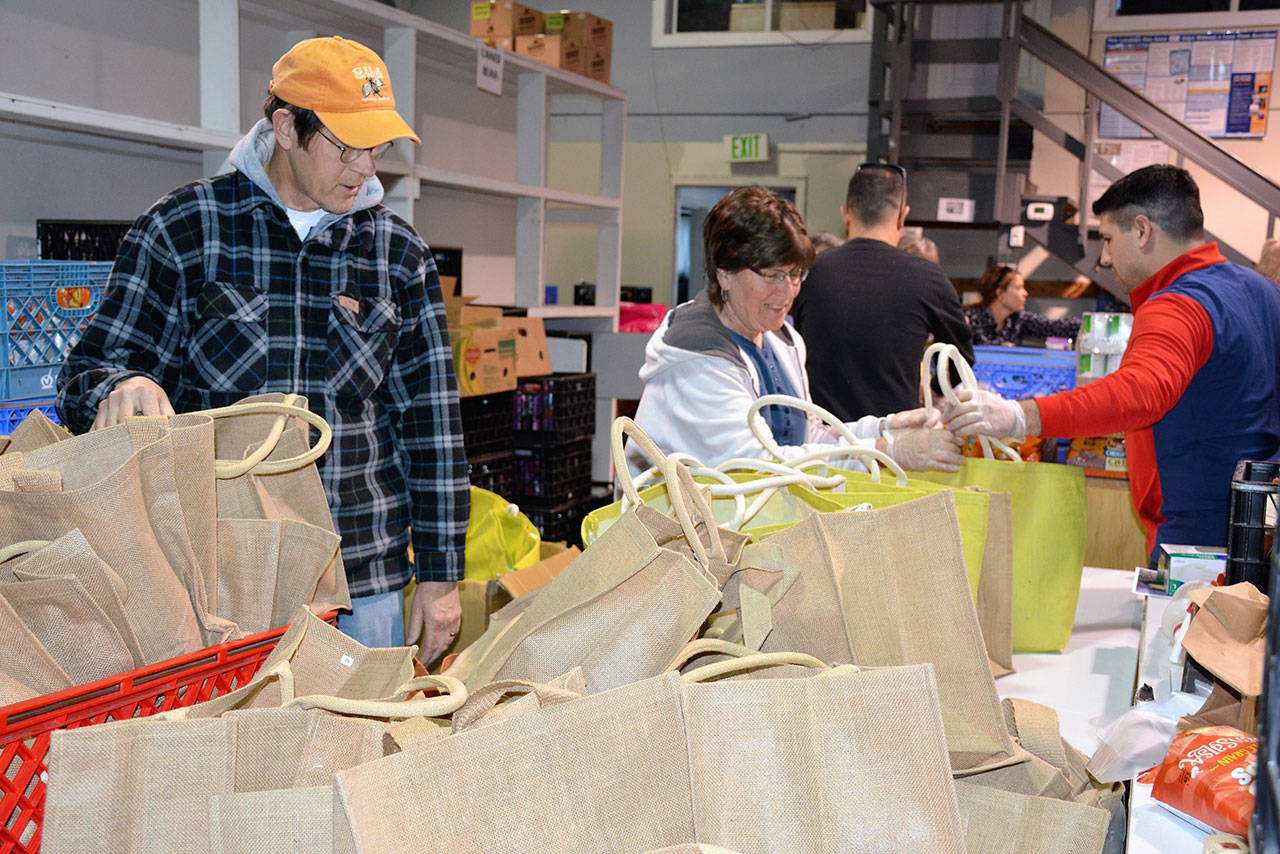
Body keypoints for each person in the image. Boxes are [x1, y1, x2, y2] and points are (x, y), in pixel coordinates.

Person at [55, 36, 469, 661]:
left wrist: (441, 576)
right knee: (243, 755)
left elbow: (432, 426)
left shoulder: (396, 255)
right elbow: (87, 371)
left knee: (361, 751)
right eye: (346, 147)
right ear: (285, 127)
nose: (365, 168)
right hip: (223, 577)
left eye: (376, 147)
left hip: (363, 578)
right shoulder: (187, 229)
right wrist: (121, 386)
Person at [944, 164, 1280, 562]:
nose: (1104, 258)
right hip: (1257, 524)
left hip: (1196, 539)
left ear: (1141, 230)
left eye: (1107, 239)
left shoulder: (1177, 305)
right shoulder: (1264, 292)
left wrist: (1019, 416)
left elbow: (1137, 393)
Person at [627, 185, 964, 480]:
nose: (787, 291)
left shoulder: (781, 340)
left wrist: (883, 429)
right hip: (678, 541)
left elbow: (804, 440)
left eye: (795, 274)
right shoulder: (697, 357)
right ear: (724, 272)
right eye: (772, 275)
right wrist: (887, 451)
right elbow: (755, 468)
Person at [792, 163, 974, 421]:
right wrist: (931, 390)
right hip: (894, 444)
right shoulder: (928, 278)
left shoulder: (808, 273)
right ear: (903, 216)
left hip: (820, 441)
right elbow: (962, 359)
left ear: (846, 214)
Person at [965, 265, 1081, 346]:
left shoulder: (1017, 319)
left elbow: (1053, 327)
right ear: (1000, 293)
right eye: (1018, 288)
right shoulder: (970, 319)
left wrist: (1089, 325)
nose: (1025, 293)